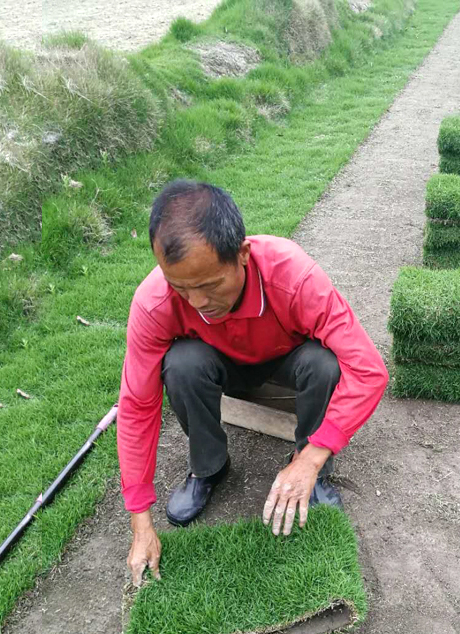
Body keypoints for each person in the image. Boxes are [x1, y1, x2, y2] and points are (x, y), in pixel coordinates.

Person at [118, 180, 388, 586]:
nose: (197, 302)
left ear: (242, 255)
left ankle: (312, 470)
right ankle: (209, 468)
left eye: (209, 285)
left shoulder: (292, 274)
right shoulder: (154, 302)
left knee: (325, 362)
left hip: (287, 362)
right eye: (180, 287)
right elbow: (137, 406)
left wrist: (311, 459)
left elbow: (369, 370)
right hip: (220, 366)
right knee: (181, 363)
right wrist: (140, 521)